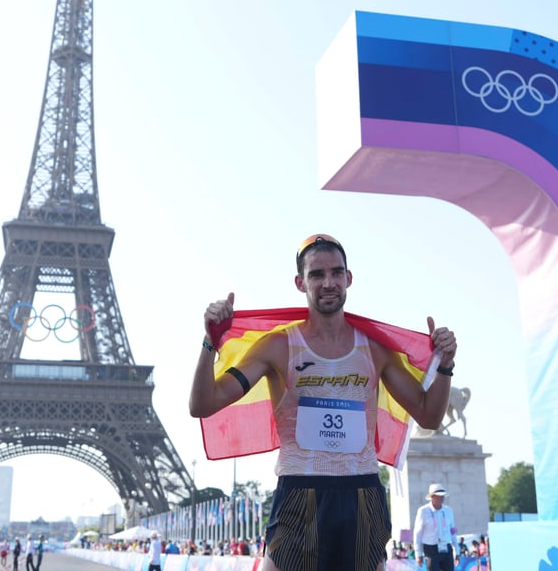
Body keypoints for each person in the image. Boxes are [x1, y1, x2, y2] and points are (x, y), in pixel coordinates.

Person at [190, 233, 459, 571]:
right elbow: (202, 405)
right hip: (299, 491)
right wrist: (209, 343)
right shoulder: (278, 346)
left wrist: (445, 365)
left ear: (349, 278)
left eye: (336, 272)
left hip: (361, 492)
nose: (328, 282)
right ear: (300, 283)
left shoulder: (375, 349)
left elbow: (429, 416)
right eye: (317, 274)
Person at [413, 483, 456, 571]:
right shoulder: (423, 511)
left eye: (443, 496)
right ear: (432, 497)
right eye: (439, 496)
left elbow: (453, 530)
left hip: (446, 547)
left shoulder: (448, 510)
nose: (442, 498)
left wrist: (457, 550)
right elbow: (417, 533)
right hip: (430, 549)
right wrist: (418, 554)